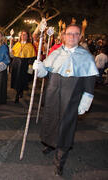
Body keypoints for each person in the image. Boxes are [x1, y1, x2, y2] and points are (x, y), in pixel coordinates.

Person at [33, 25, 99, 176]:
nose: (72, 37)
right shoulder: (56, 53)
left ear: (80, 37)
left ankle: (60, 160)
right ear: (64, 36)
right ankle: (50, 143)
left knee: (66, 126)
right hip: (53, 93)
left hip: (72, 97)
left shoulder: (86, 56)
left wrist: (86, 99)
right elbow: (46, 73)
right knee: (51, 120)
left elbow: (89, 82)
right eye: (69, 34)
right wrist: (40, 67)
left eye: (76, 34)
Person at [10, 30, 36, 103]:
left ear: (27, 36)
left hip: (24, 65)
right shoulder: (17, 44)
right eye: (22, 35)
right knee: (16, 79)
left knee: (21, 80)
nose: (23, 36)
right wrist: (11, 52)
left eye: (25, 35)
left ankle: (18, 94)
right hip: (16, 64)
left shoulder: (30, 46)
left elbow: (32, 58)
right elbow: (12, 55)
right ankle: (18, 91)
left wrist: (30, 70)